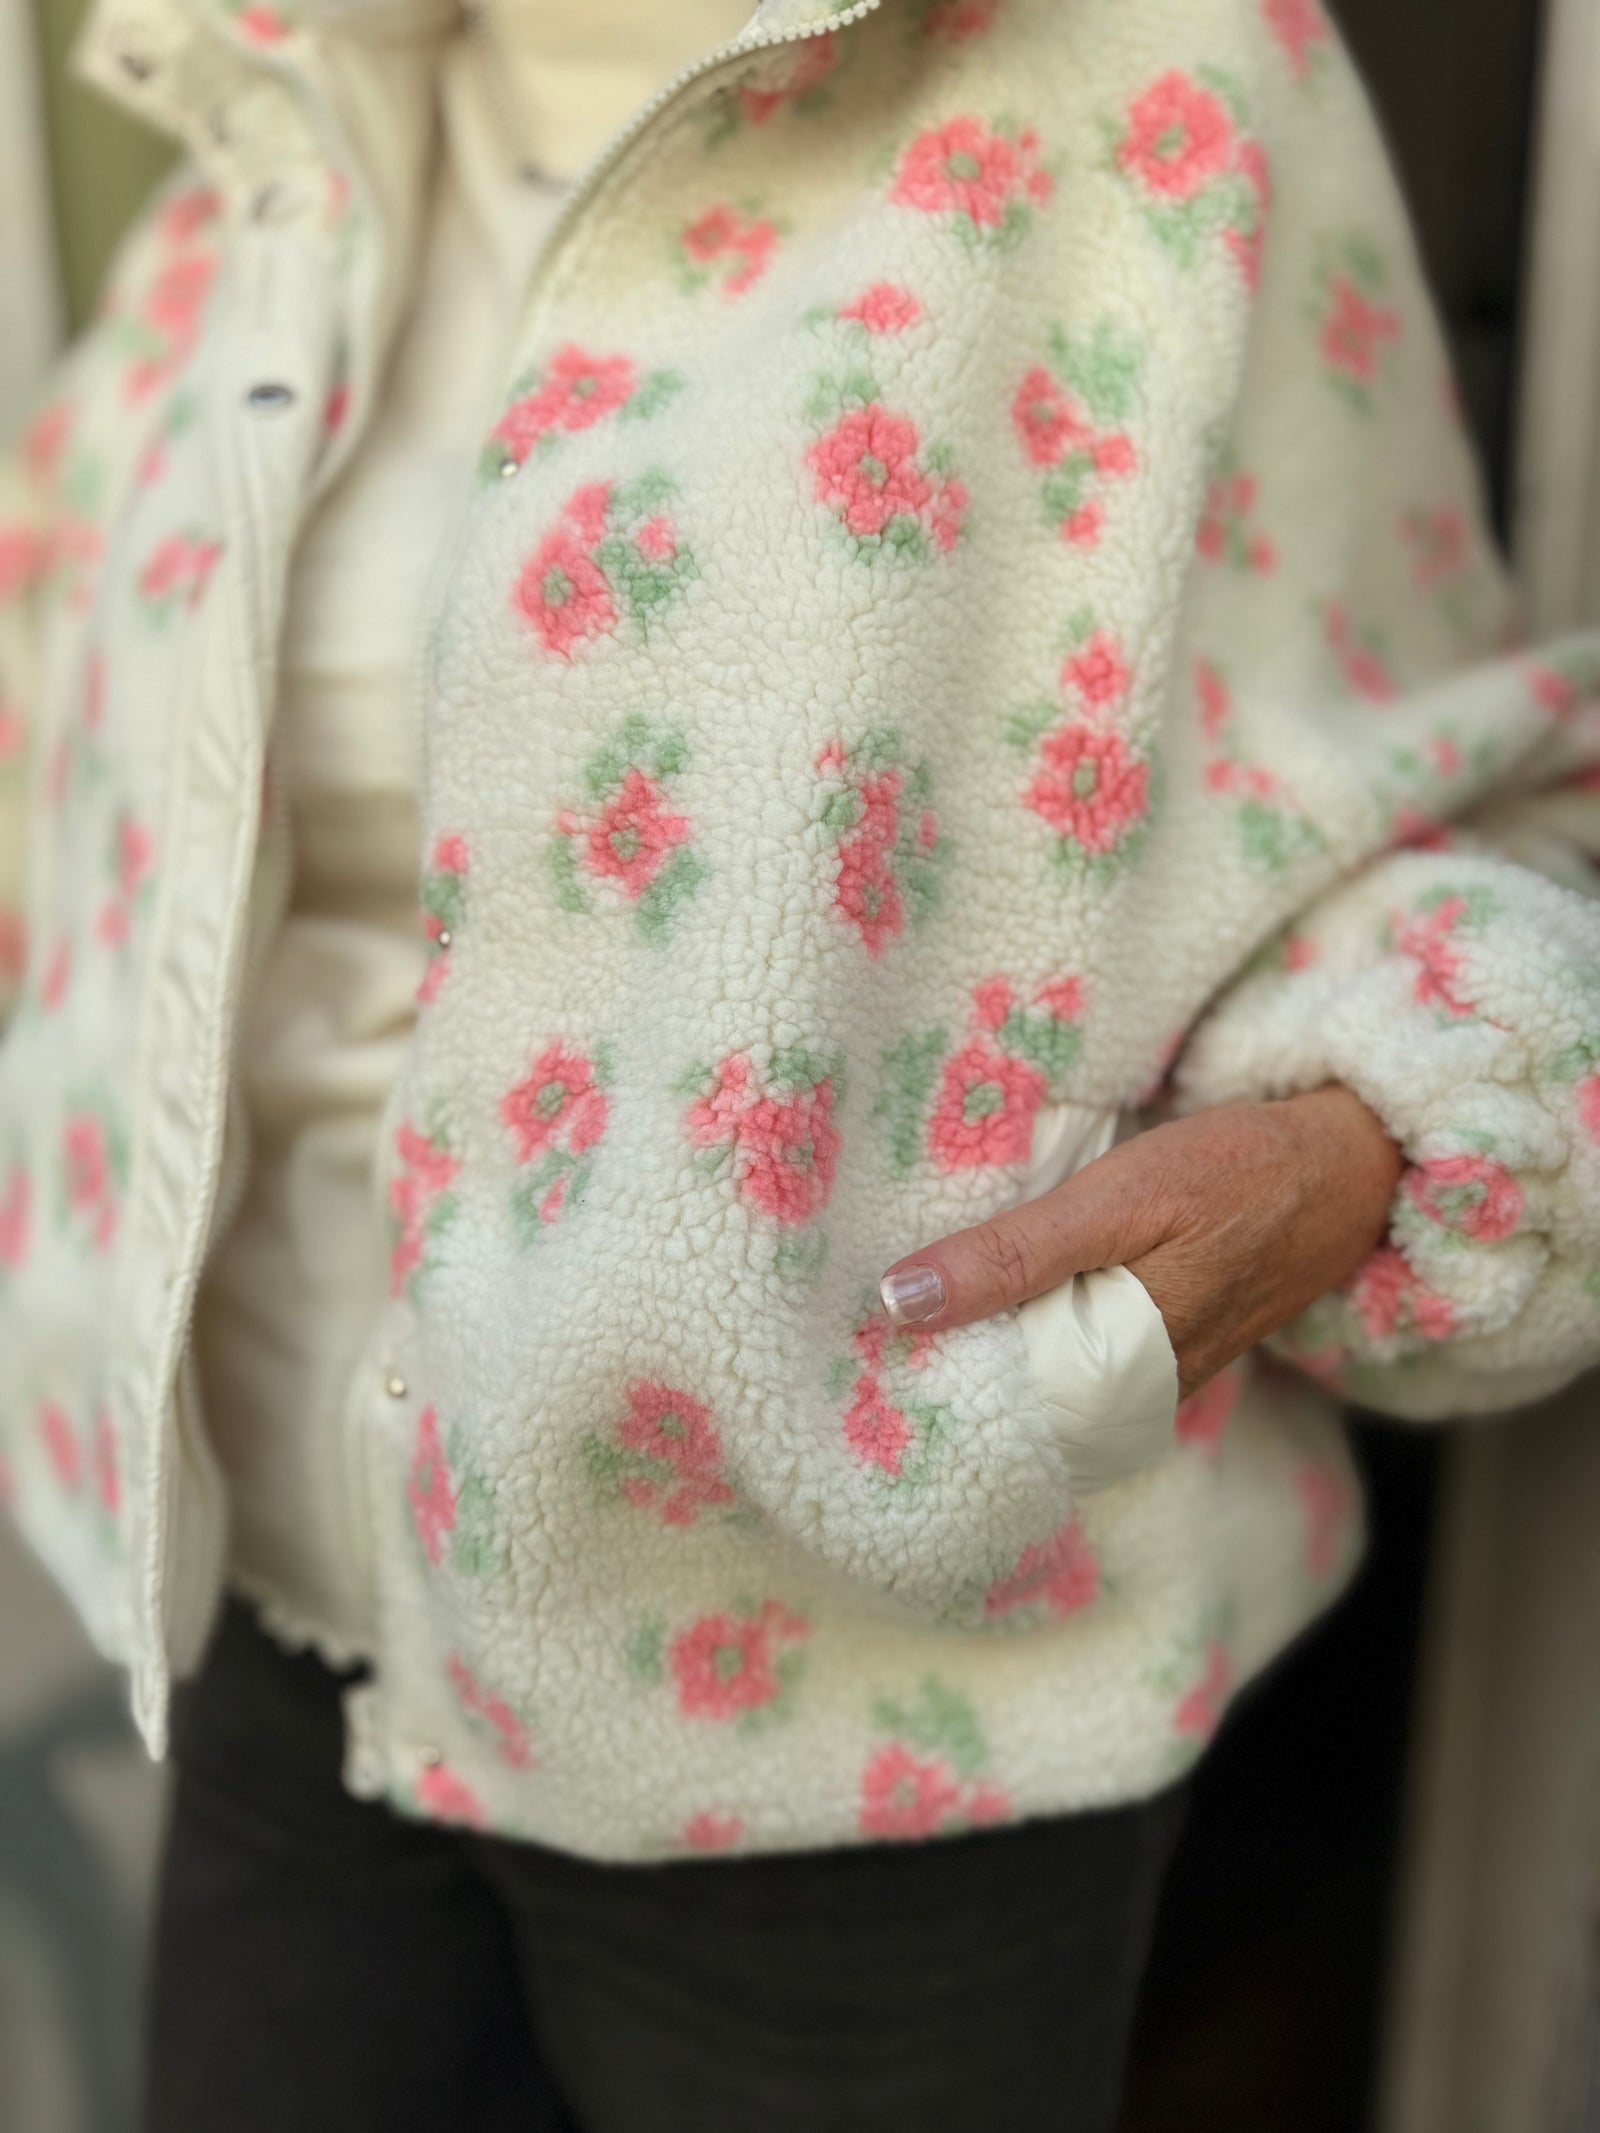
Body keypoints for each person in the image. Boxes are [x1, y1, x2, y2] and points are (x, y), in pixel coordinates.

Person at [1, 0, 1597, 2124]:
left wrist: (1352, 1147)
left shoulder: (1163, 85)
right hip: (286, 1642)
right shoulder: (266, 108)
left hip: (860, 1693)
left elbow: (1471, 810)